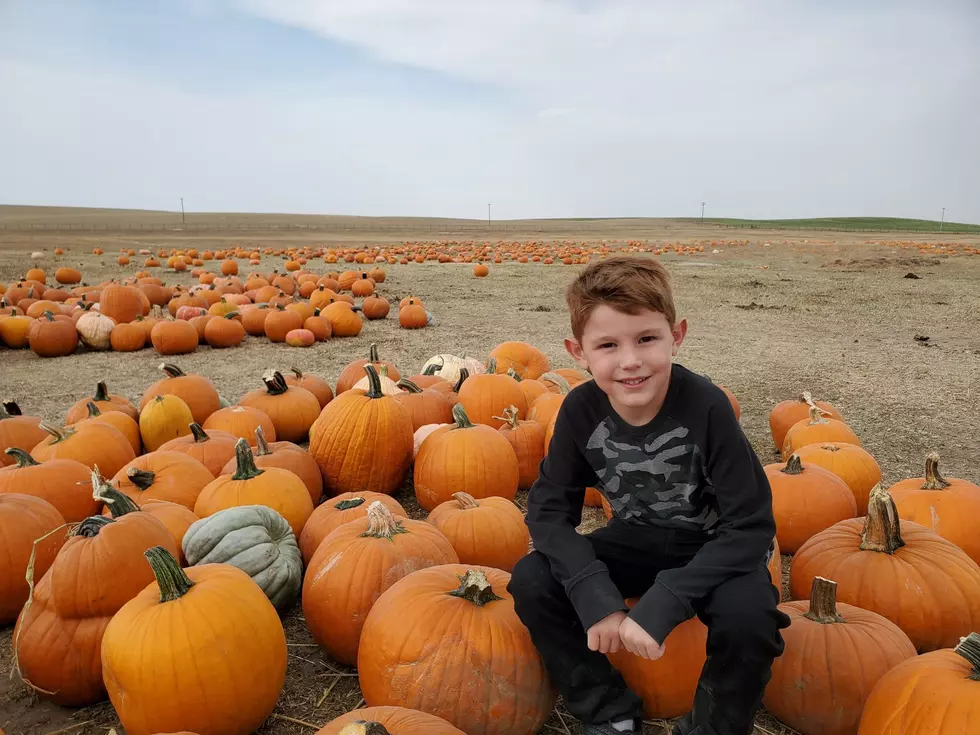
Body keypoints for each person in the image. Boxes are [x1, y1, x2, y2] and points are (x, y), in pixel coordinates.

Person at [507, 255, 789, 735]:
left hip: (715, 547)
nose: (630, 361)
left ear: (675, 335)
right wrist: (593, 592)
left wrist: (668, 599)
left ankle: (712, 726)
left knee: (750, 616)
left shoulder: (707, 407)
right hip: (636, 537)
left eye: (646, 339)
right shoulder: (579, 412)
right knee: (533, 578)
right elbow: (549, 513)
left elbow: (752, 526)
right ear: (579, 351)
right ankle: (608, 711)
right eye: (608, 345)